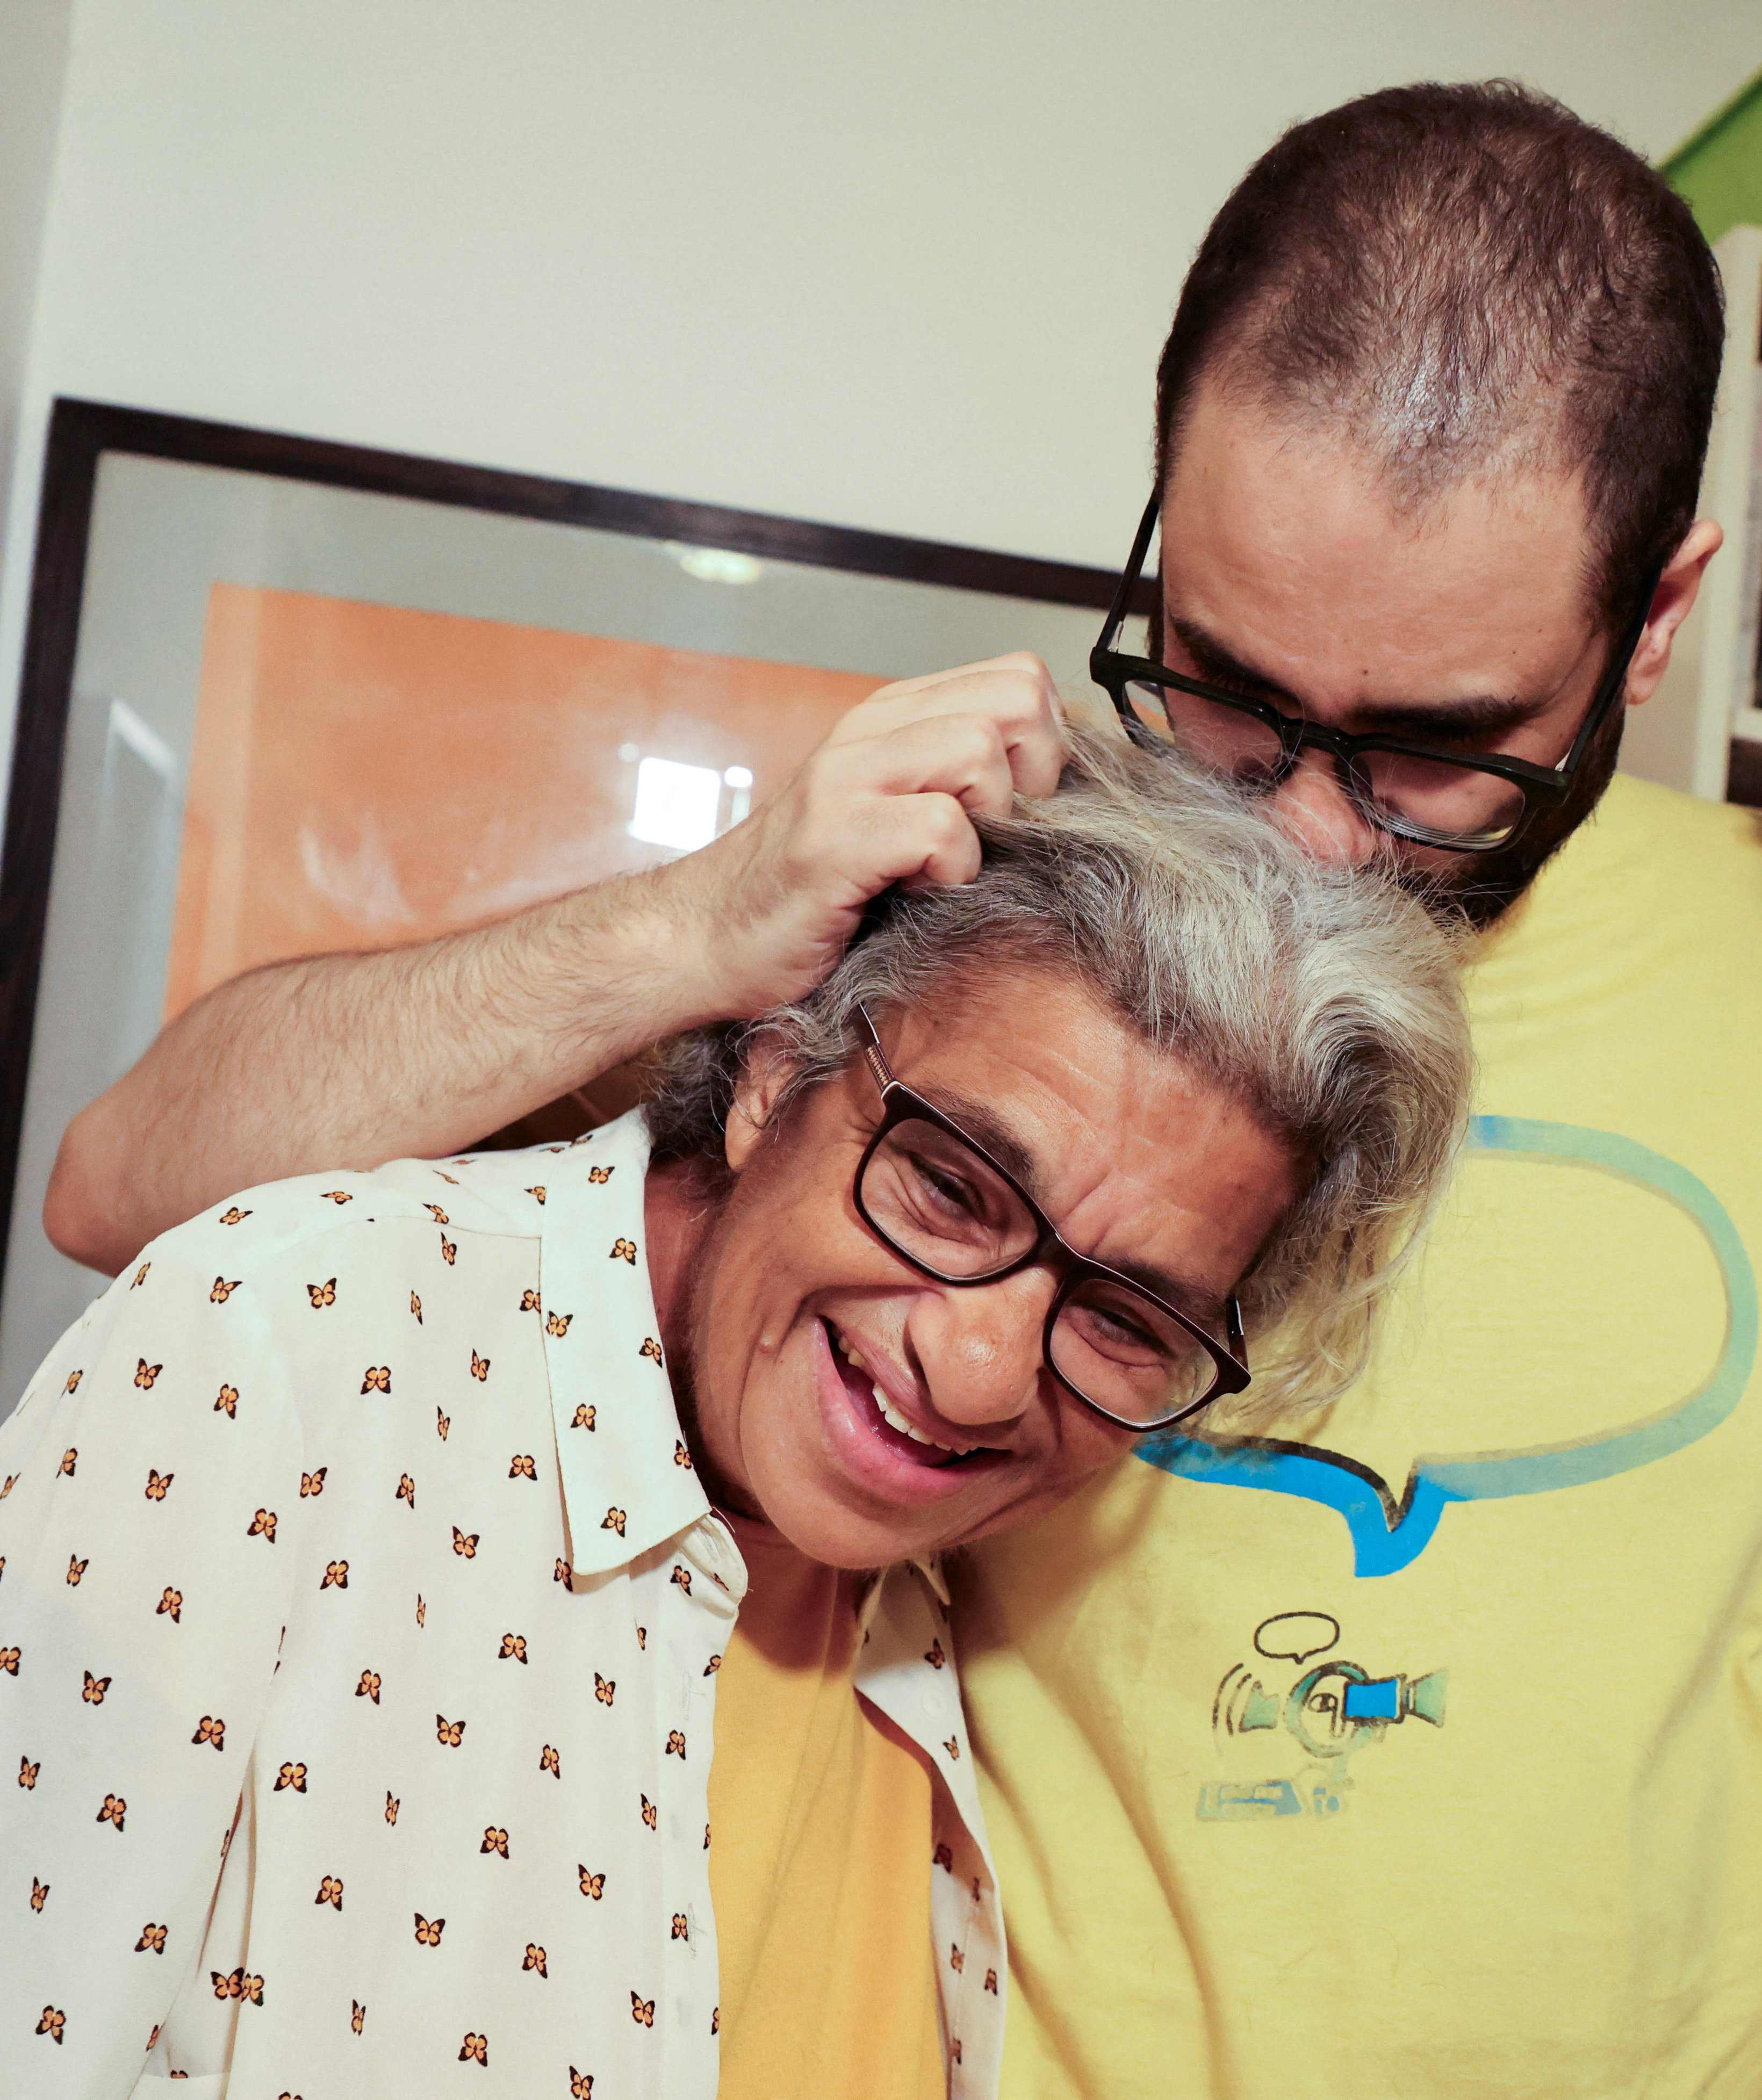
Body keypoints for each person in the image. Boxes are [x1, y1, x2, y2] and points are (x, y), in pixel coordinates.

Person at [42, 84, 1762, 2095]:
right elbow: (130, 1183)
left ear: (1657, 622)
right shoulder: (986, 889)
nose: (1301, 843)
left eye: (1435, 755)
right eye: (1226, 687)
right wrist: (695, 924)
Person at [0, 733, 1472, 2098]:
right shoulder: (294, 1343)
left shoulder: (968, 1604)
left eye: (1123, 1317)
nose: (975, 1374)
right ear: (776, 1082)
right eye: (950, 1188)